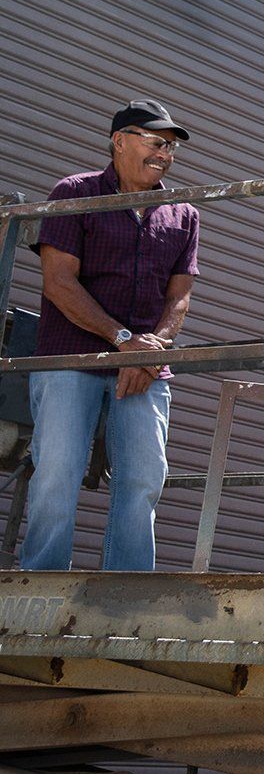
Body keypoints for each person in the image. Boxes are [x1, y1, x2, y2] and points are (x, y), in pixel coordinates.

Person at [22, 99, 199, 571]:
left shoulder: (183, 212)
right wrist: (124, 341)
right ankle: (39, 586)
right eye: (155, 141)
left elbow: (178, 299)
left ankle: (126, 597)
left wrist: (150, 350)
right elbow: (59, 282)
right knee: (56, 475)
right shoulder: (74, 192)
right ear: (119, 140)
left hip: (144, 367)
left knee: (144, 480)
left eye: (172, 147)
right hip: (69, 359)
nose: (165, 153)